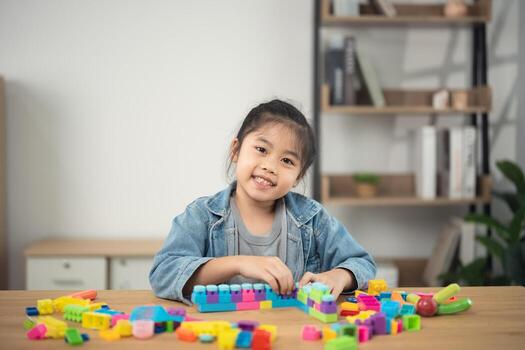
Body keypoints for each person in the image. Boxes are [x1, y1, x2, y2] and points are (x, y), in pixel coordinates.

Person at [149, 99, 376, 304]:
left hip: (290, 335)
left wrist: (339, 276)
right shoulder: (201, 215)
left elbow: (363, 264)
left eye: (287, 160)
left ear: (297, 177)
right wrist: (239, 263)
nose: (270, 166)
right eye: (261, 149)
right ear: (236, 151)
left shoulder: (313, 219)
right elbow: (163, 273)